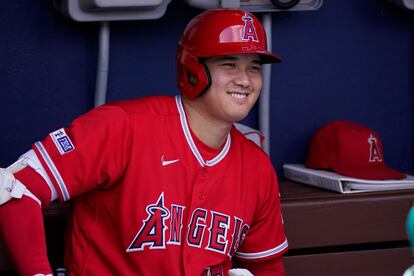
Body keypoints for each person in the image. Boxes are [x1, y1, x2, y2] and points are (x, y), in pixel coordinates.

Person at [0, 8, 288, 276]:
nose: (245, 80)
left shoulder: (257, 167)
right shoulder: (121, 126)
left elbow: (267, 264)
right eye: (229, 64)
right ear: (192, 68)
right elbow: (13, 188)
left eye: (254, 67)